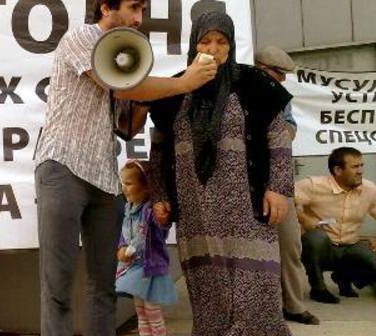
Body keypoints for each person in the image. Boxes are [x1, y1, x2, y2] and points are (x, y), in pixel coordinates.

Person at [33, 0, 217, 334]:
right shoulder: (81, 37)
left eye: (143, 11)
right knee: (57, 285)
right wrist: (183, 83)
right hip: (62, 166)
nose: (138, 19)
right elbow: (118, 84)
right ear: (105, 7)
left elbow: (126, 128)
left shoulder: (123, 58)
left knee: (104, 285)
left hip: (105, 178)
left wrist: (145, 102)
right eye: (134, 8)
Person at [148, 11, 293, 336]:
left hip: (249, 212)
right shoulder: (174, 90)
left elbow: (278, 136)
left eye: (221, 41)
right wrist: (159, 194)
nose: (213, 49)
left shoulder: (255, 84)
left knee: (258, 296)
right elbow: (158, 150)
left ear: (230, 46)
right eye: (206, 41)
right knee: (209, 294)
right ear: (193, 45)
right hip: (198, 212)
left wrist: (279, 188)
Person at [255, 46, 319, 325]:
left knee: (290, 244)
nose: (282, 80)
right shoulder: (235, 92)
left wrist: (273, 132)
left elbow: (289, 129)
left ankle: (293, 305)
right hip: (244, 184)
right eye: (277, 73)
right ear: (259, 68)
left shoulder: (281, 98)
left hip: (278, 182)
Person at [296, 147, 376, 304]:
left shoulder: (369, 189)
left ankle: (343, 276)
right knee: (314, 238)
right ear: (338, 170)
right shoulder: (313, 185)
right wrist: (304, 219)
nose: (360, 171)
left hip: (350, 246)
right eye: (355, 167)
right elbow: (285, 200)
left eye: (361, 166)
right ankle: (318, 288)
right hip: (324, 248)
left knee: (372, 258)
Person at [115, 160, 176, 336]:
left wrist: (163, 217)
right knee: (140, 312)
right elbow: (124, 234)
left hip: (149, 268)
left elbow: (155, 231)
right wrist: (121, 248)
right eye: (122, 183)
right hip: (134, 268)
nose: (124, 188)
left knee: (152, 311)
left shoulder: (150, 211)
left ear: (146, 187)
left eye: (129, 183)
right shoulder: (128, 208)